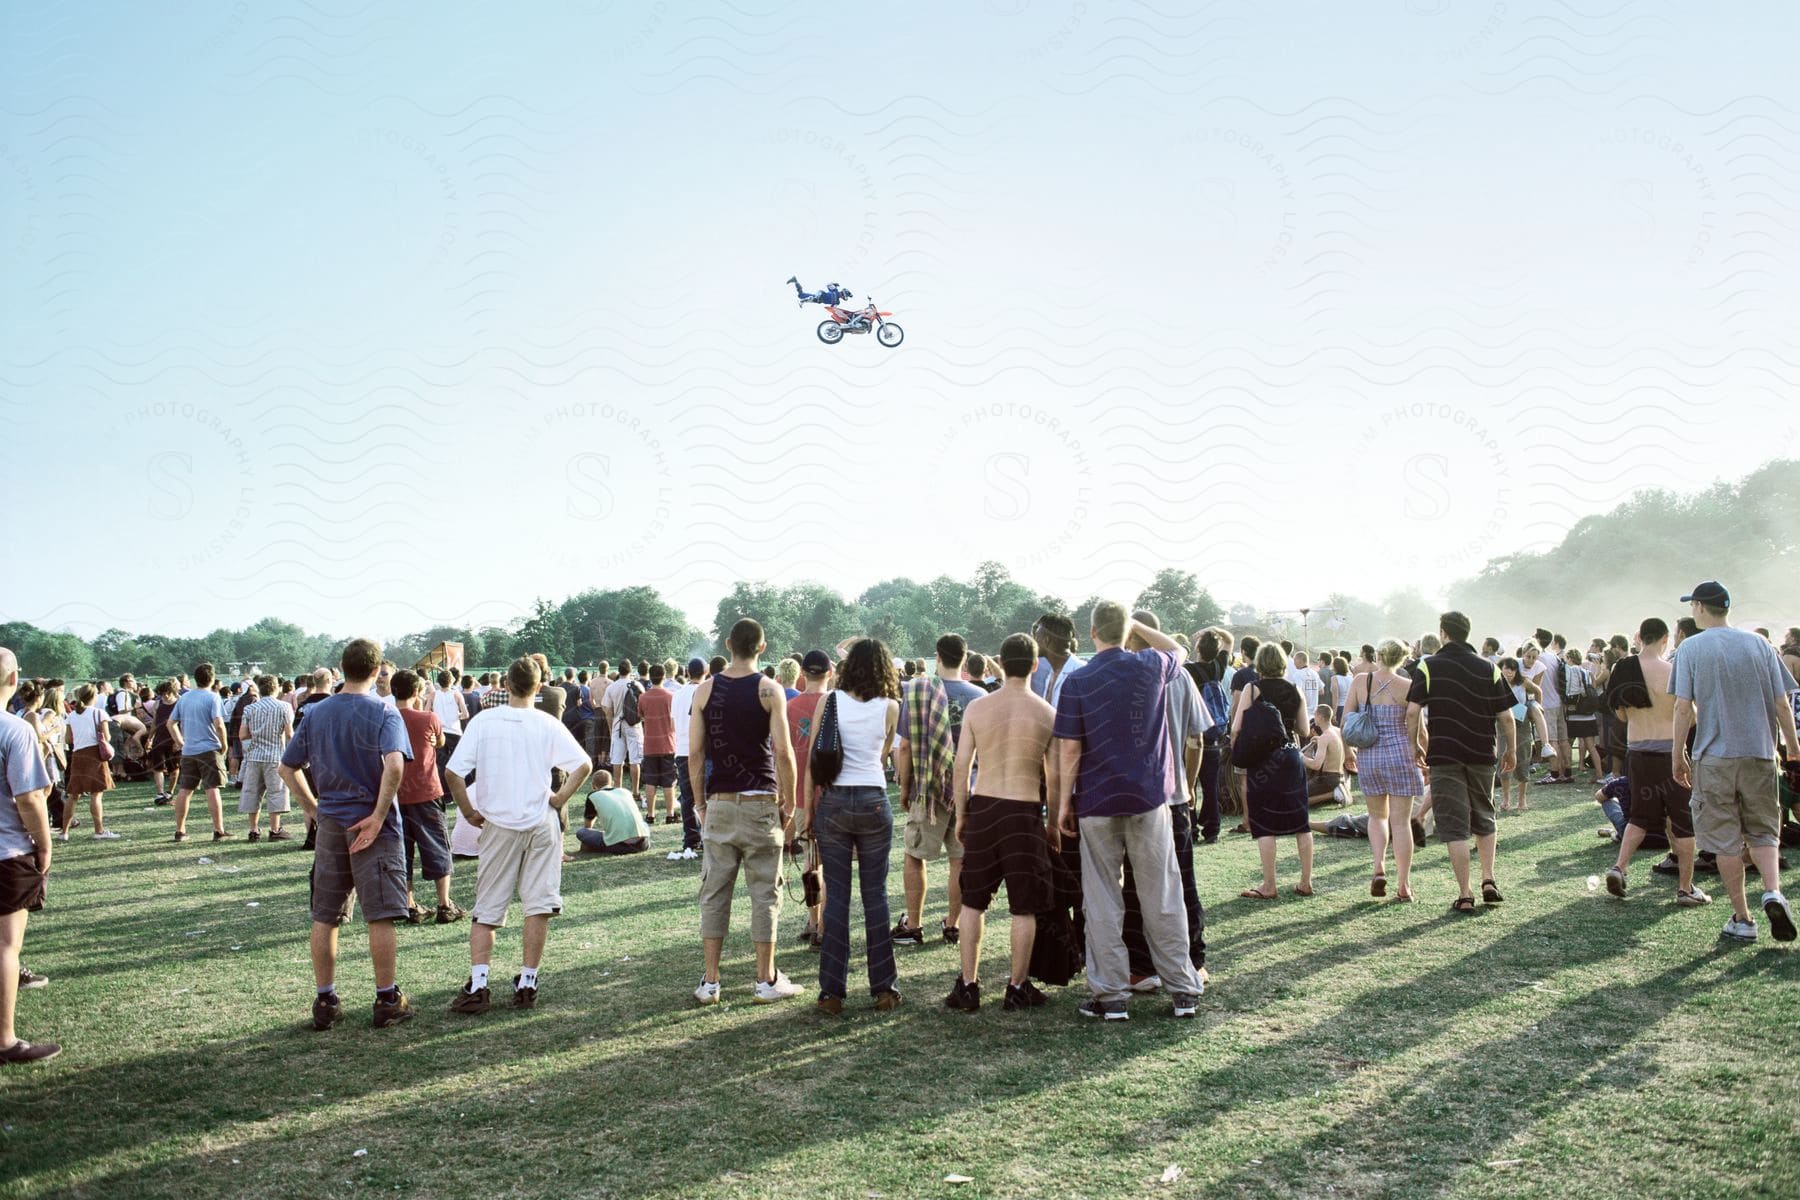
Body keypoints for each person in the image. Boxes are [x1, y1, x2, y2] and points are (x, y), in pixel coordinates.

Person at [1054, 602, 1204, 1021]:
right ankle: (1183, 989)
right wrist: (1135, 624)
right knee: (1163, 894)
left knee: (1102, 898)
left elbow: (1069, 749)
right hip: (1148, 798)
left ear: (1090, 633)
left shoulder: (1078, 680)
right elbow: (1180, 647)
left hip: (1097, 801)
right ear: (1125, 631)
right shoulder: (1151, 665)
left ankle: (1111, 995)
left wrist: (1064, 802)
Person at [277, 639, 415, 1031]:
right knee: (381, 914)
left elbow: (288, 768)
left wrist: (312, 808)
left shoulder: (317, 713)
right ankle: (387, 998)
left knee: (325, 915)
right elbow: (394, 766)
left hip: (334, 822)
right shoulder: (385, 712)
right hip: (375, 825)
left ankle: (326, 1000)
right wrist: (377, 814)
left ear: (342, 669)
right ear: (376, 672)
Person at [444, 657, 591, 1012]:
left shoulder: (484, 721)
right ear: (539, 688)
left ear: (506, 685)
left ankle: (479, 982)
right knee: (538, 905)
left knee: (488, 907)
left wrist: (467, 811)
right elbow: (583, 765)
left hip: (498, 822)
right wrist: (558, 799)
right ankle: (528, 979)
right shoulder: (546, 722)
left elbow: (453, 773)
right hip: (540, 820)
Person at [1669, 582, 1800, 943]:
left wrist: (1678, 752)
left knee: (1725, 840)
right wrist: (1792, 746)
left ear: (1699, 607)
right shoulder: (1760, 643)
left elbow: (1683, 707)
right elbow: (1781, 702)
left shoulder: (1690, 648)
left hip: (1714, 757)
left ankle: (1743, 918)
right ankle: (1773, 891)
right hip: (1759, 752)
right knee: (1763, 831)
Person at [687, 619, 803, 1005]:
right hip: (760, 801)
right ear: (763, 647)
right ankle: (765, 979)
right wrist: (790, 800)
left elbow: (696, 754)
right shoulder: (770, 690)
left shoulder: (705, 690)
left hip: (720, 801)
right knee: (765, 895)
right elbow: (783, 751)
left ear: (727, 644)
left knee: (714, 893)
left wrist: (700, 802)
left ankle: (711, 980)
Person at [942, 632, 1057, 1013]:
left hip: (986, 806)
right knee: (1023, 907)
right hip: (1024, 811)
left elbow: (962, 767)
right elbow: (1052, 777)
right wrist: (1053, 822)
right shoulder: (1046, 712)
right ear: (1035, 665)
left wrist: (962, 813)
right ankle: (1017, 986)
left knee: (973, 901)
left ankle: (969, 985)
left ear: (1000, 664)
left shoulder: (978, 708)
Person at [802, 638, 904, 1015]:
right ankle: (883, 989)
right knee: (875, 897)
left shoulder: (829, 702)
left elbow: (814, 757)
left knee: (838, 901)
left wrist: (807, 809)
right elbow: (883, 754)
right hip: (873, 801)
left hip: (834, 802)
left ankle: (831, 993)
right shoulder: (891, 707)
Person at [1119, 612, 1212, 993]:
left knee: (1135, 884)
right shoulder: (1181, 675)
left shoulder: (1123, 675)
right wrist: (1189, 787)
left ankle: (1142, 967)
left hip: (1138, 796)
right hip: (1175, 797)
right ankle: (1194, 961)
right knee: (1182, 880)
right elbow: (1197, 739)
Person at [1406, 612, 1517, 914]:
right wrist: (1512, 751)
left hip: (1445, 754)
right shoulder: (1489, 667)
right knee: (1484, 814)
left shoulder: (1428, 666)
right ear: (1467, 633)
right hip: (1482, 751)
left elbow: (1413, 712)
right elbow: (1506, 716)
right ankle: (1489, 880)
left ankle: (1465, 893)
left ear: (1443, 633)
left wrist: (1414, 744)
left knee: (1455, 826)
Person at [1600, 618, 1709, 906]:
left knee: (1640, 816)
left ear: (1639, 637)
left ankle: (1619, 867)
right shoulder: (1672, 671)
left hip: (1637, 751)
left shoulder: (1622, 668)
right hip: (1669, 753)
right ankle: (1686, 889)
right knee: (1683, 821)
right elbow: (1692, 716)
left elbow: (1621, 715)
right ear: (1664, 639)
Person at [892, 634, 984, 945]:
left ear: (937, 657)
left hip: (927, 789)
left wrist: (905, 787)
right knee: (959, 860)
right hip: (968, 788)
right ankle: (953, 924)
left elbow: (904, 747)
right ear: (965, 657)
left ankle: (914, 925)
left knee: (914, 854)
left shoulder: (919, 690)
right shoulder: (979, 695)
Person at [0, 647, 58, 1063]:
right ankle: (4, 1040)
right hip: (7, 850)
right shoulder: (14, 729)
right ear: (13, 679)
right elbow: (30, 798)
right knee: (7, 947)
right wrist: (45, 843)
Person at [1233, 643, 1314, 901]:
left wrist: (1238, 751)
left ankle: (1269, 885)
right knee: (1301, 821)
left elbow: (1236, 727)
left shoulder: (1252, 688)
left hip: (1262, 758)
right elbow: (1304, 730)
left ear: (1260, 663)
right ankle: (1305, 881)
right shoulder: (1295, 689)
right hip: (1290, 755)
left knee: (1264, 822)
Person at [391, 670, 466, 924]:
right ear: (416, 692)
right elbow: (440, 741)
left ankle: (409, 904)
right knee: (437, 847)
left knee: (403, 851)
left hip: (395, 794)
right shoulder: (428, 718)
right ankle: (444, 904)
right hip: (426, 790)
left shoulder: (386, 718)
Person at [785, 650, 834, 944]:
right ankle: (825, 925)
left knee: (810, 861)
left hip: (802, 795)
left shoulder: (789, 707)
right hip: (832, 794)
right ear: (830, 673)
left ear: (802, 673)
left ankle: (812, 920)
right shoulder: (838, 705)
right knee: (830, 864)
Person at [168, 662, 230, 842]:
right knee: (212, 789)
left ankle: (180, 830)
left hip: (189, 750)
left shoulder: (184, 698)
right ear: (212, 678)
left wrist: (180, 742)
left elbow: (170, 723)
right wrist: (224, 744)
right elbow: (219, 724)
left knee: (185, 790)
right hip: (209, 749)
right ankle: (218, 830)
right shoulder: (213, 697)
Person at [236, 674, 293, 842]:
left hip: (254, 755)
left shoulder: (250, 708)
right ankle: (275, 829)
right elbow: (289, 733)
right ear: (276, 688)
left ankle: (253, 829)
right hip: (275, 755)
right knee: (276, 792)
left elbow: (242, 735)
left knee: (252, 792)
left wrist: (258, 732)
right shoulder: (284, 707)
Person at [59, 684, 116, 841]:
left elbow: (68, 739)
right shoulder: (99, 713)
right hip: (94, 755)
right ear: (94, 696)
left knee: (73, 795)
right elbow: (107, 737)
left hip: (78, 755)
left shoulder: (72, 716)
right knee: (96, 794)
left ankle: (64, 832)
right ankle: (99, 830)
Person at [667, 658, 705, 862]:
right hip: (701, 748)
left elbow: (673, 725)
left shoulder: (678, 694)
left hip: (682, 748)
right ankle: (707, 837)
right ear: (705, 671)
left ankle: (691, 838)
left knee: (687, 797)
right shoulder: (705, 691)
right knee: (705, 795)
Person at [1496, 657, 1541, 813]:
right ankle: (1506, 798)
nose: (1509, 672)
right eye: (1505, 668)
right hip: (1502, 726)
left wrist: (1535, 708)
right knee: (1503, 759)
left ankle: (1522, 799)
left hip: (1521, 724)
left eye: (1512, 669)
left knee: (1523, 759)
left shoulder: (1523, 683)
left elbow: (1538, 691)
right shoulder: (1496, 684)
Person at [637, 663, 678, 824]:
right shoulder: (671, 697)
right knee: (669, 782)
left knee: (650, 781)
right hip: (668, 743)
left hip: (650, 744)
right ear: (663, 676)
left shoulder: (643, 697)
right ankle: (670, 814)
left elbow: (640, 716)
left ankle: (650, 815)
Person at [576, 770, 650, 855]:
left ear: (593, 786)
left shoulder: (593, 796)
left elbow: (588, 825)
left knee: (581, 832)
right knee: (643, 824)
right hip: (643, 843)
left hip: (618, 845)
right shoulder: (625, 792)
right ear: (612, 783)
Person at [601, 659, 645, 799]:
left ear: (618, 671)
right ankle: (635, 791)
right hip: (634, 726)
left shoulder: (611, 687)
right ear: (631, 670)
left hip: (617, 725)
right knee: (634, 760)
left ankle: (618, 789)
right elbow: (643, 707)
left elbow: (607, 710)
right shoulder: (637, 685)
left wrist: (610, 727)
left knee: (617, 760)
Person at [1301, 704, 1346, 808]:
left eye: (1315, 715)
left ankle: (1332, 795)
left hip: (1328, 779)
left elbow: (1316, 765)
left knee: (1296, 797)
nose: (1314, 717)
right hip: (1339, 776)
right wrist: (1318, 739)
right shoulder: (1337, 731)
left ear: (1320, 717)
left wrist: (1300, 757)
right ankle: (1334, 793)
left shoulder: (1324, 737)